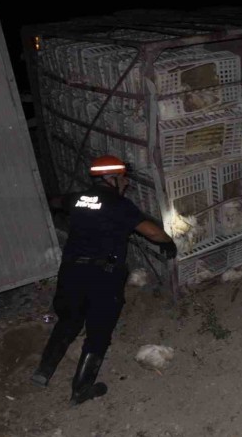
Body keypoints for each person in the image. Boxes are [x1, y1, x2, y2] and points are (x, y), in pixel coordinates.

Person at [30, 154, 178, 406]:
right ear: (111, 179)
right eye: (123, 179)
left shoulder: (78, 198)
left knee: (69, 321)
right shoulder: (119, 205)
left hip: (71, 272)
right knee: (98, 333)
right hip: (102, 276)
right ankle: (81, 389)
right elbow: (152, 232)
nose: (126, 183)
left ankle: (43, 371)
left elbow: (56, 201)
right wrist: (168, 242)